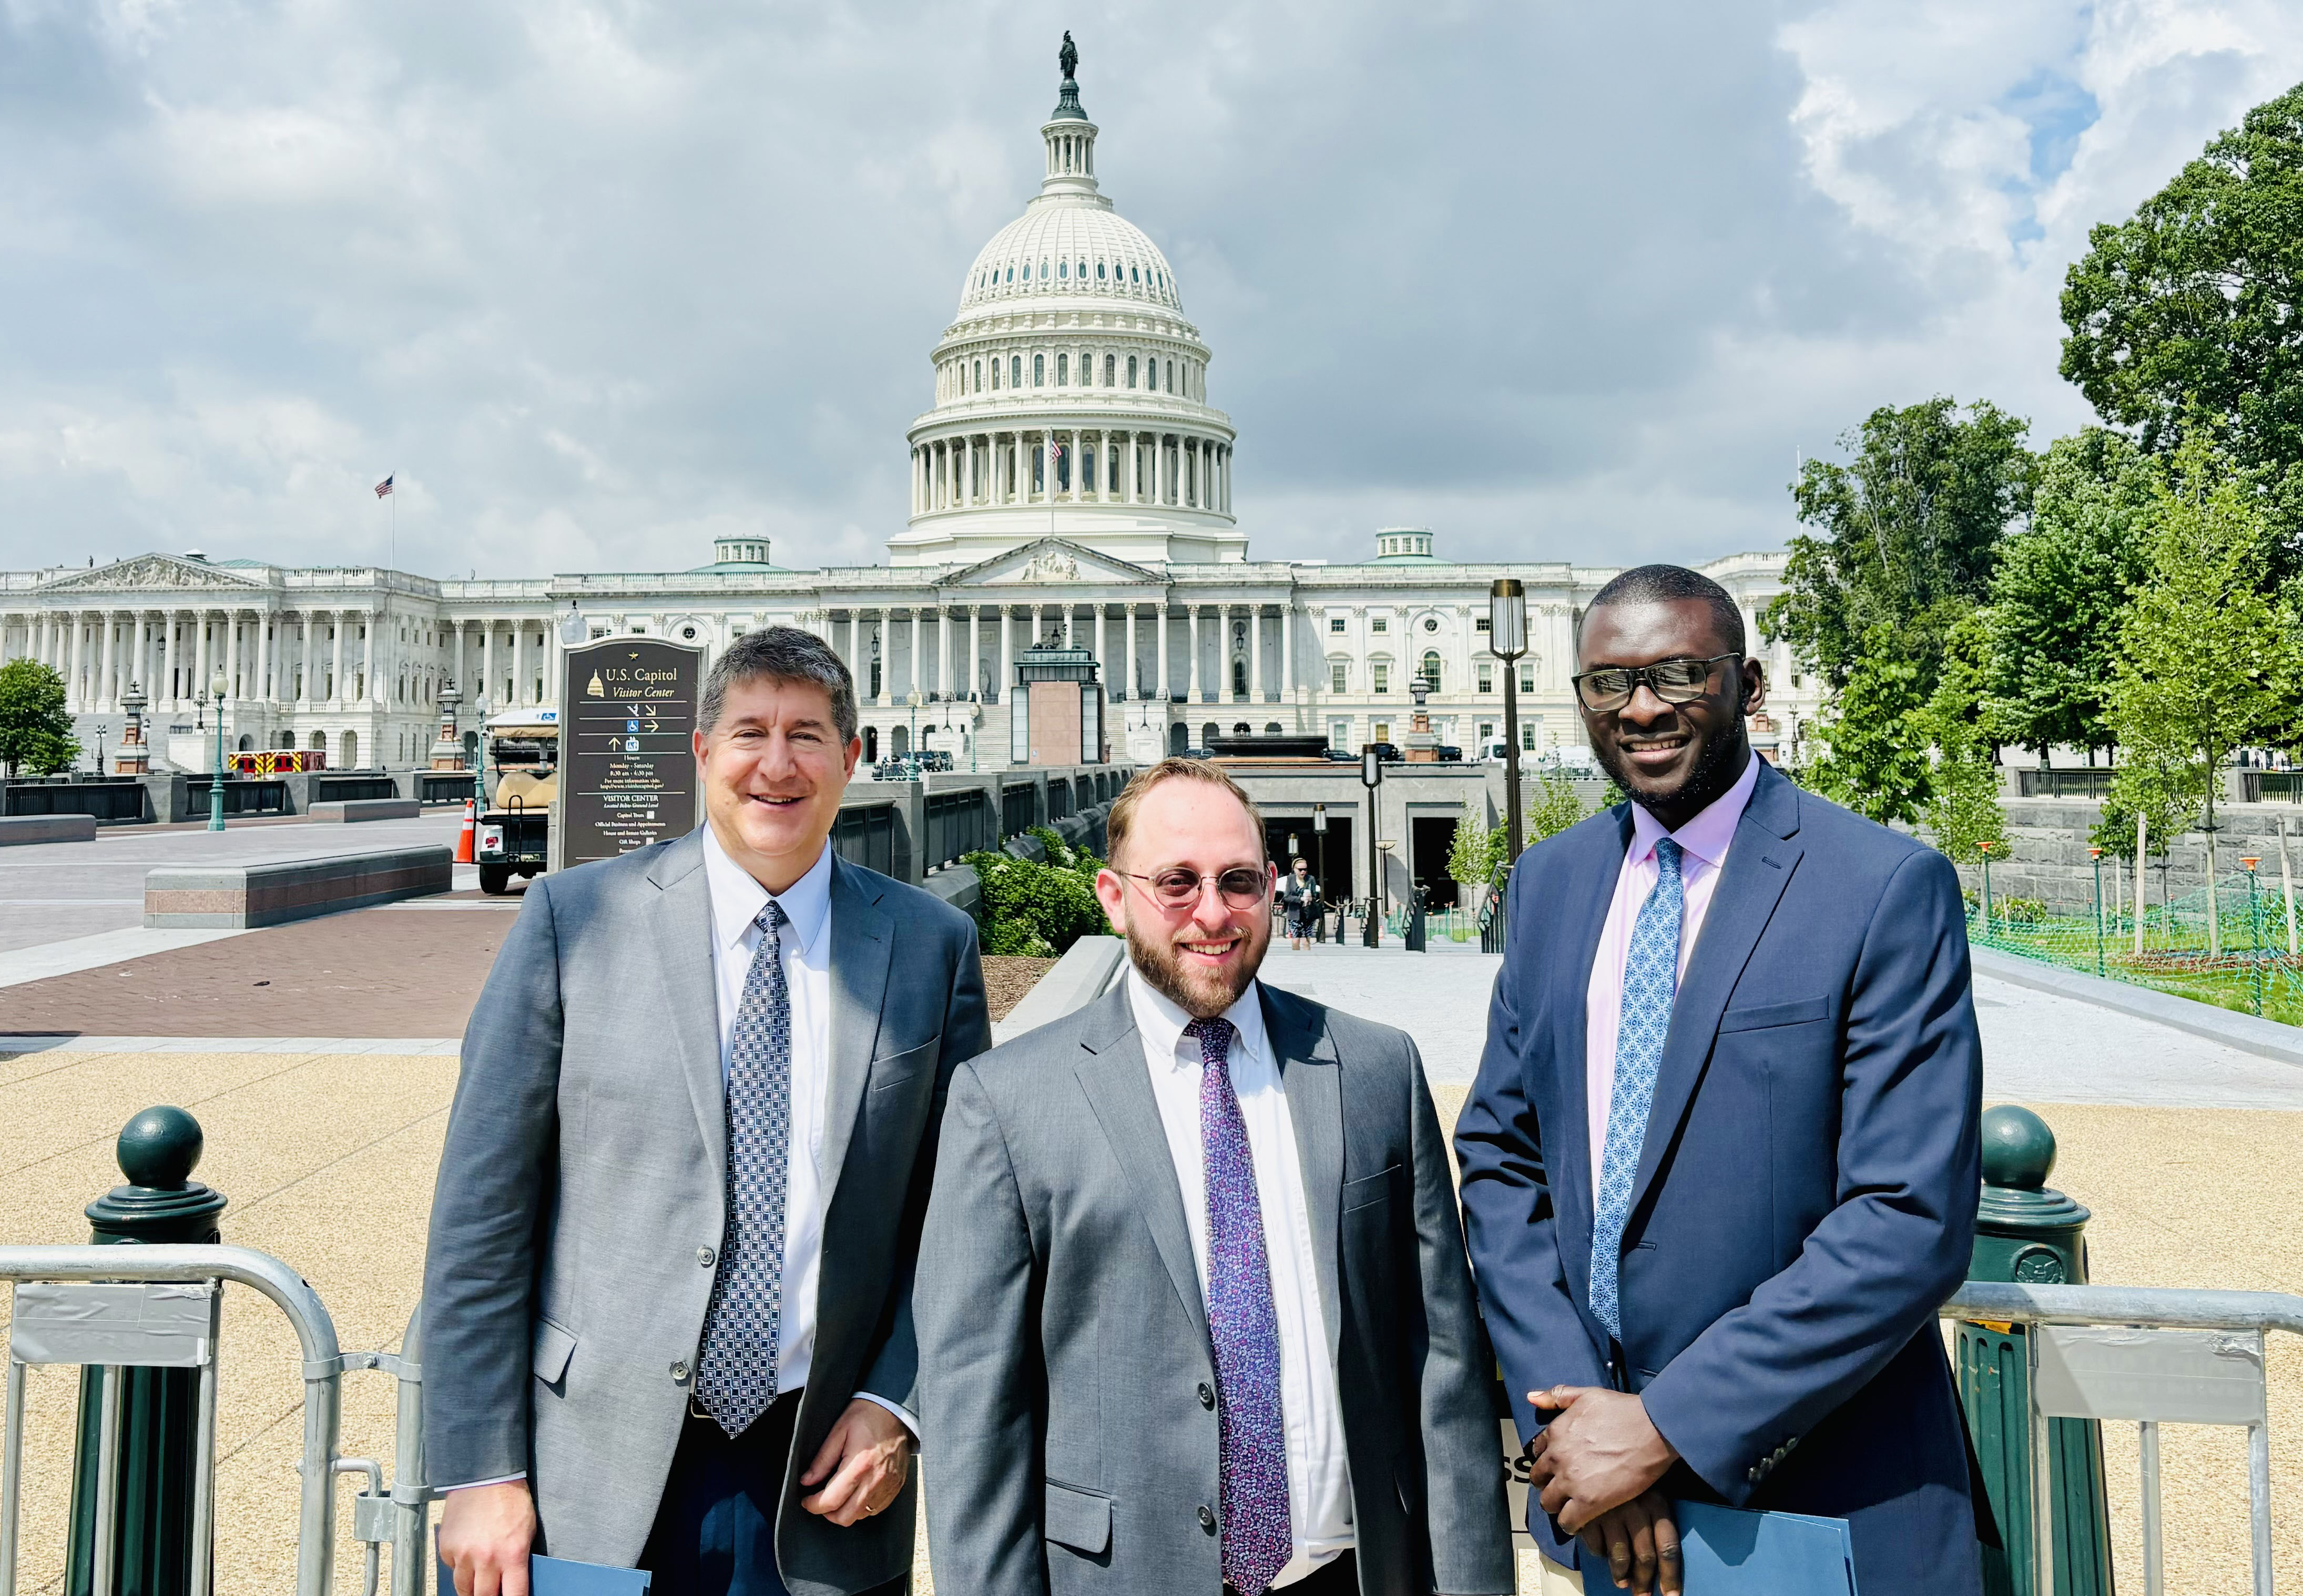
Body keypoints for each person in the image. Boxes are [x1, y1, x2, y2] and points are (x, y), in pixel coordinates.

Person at [424, 626, 992, 1596]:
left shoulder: (931, 946)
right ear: (701, 752)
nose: (777, 765)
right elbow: (481, 1217)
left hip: (823, 1475)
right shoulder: (573, 921)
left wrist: (897, 1402)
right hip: (585, 1472)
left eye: (808, 735)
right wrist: (480, 1468)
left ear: (852, 759)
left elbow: (962, 1220)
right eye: (750, 733)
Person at [1454, 565, 1984, 1596]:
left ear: (1747, 687)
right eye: (1609, 683)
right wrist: (1579, 1427)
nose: (1641, 707)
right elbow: (1501, 1158)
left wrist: (1670, 1427)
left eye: (1678, 675)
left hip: (1817, 1499)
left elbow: (1909, 1216)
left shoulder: (1881, 889)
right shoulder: (1551, 885)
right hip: (1607, 1503)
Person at [918, 758, 1512, 1596]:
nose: (1212, 912)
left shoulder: (1376, 1070)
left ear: (1271, 886)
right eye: (1177, 882)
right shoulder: (1008, 1103)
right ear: (1114, 896)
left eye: (1238, 880)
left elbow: (1443, 1371)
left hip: (1354, 1572)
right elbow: (974, 1414)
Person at [1279, 856, 1322, 949]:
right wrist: (1300, 899)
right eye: (1300, 869)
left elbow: (1314, 896)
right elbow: (1287, 897)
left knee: (1306, 941)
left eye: (1305, 869)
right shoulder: (1291, 879)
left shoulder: (1311, 879)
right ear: (1295, 870)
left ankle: (1307, 960)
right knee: (1295, 940)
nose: (1303, 872)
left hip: (1308, 913)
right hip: (1295, 913)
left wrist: (1311, 898)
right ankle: (1296, 958)